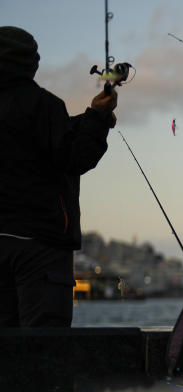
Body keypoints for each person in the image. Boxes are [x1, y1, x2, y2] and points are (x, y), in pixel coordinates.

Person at [0, 26, 117, 327]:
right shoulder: (44, 106)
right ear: (31, 64)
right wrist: (98, 119)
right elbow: (74, 157)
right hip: (41, 247)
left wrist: (91, 118)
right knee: (45, 348)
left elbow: (25, 136)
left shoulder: (41, 111)